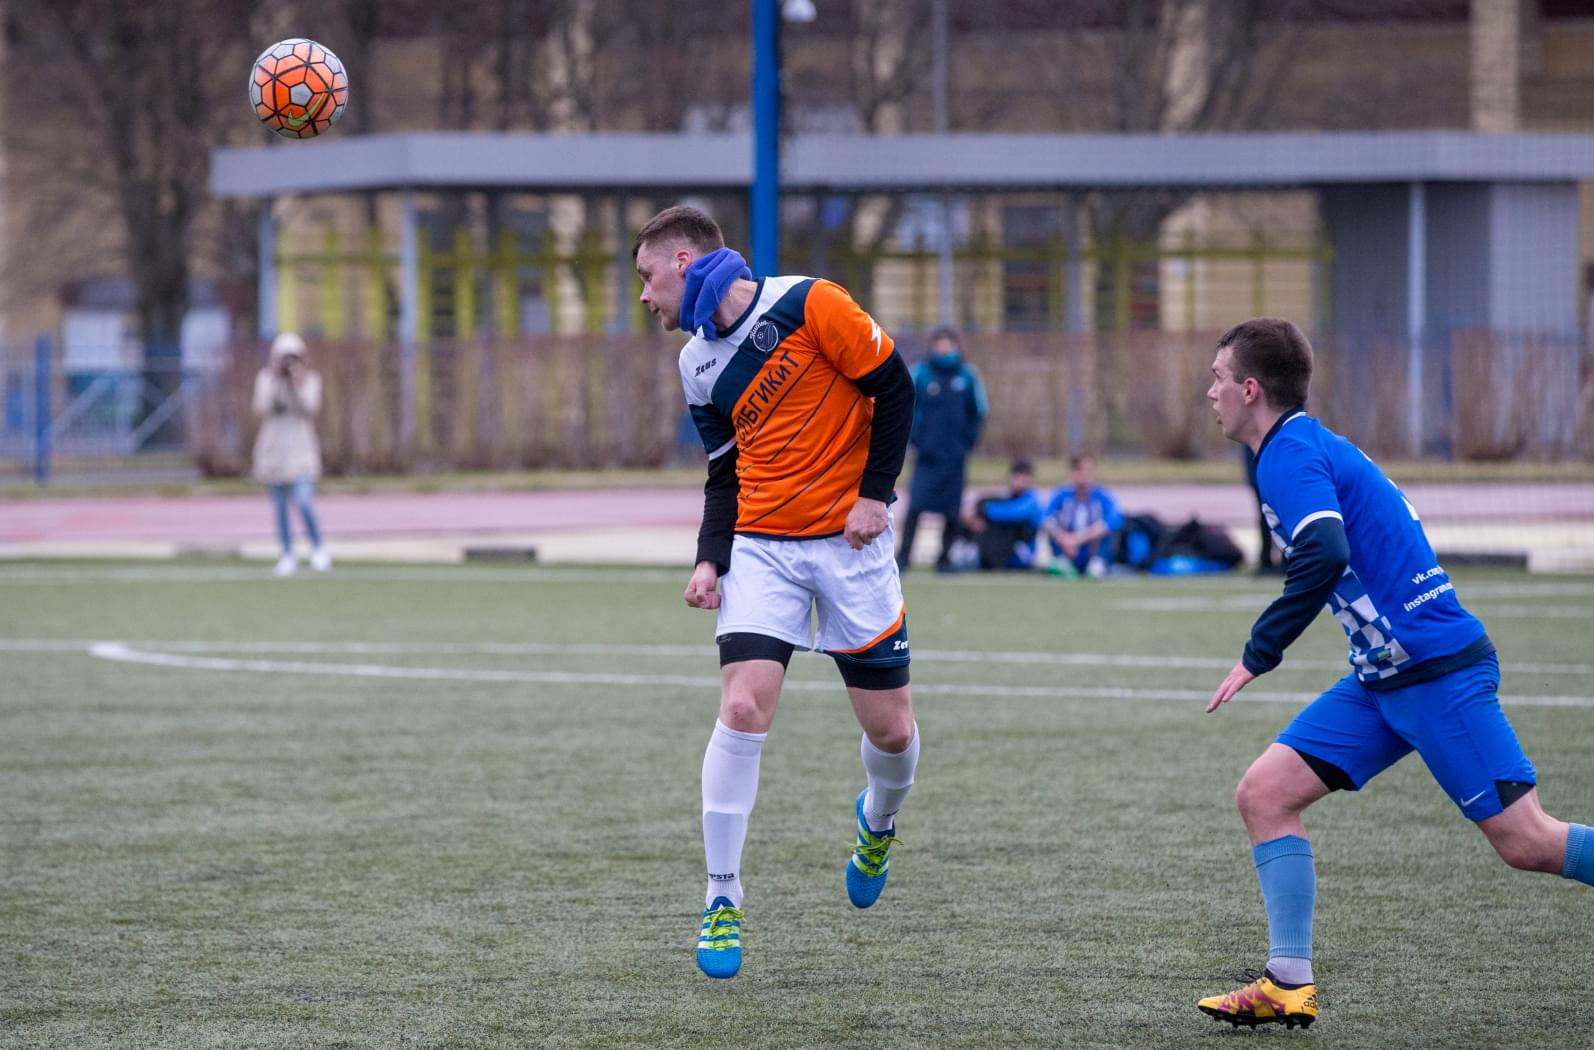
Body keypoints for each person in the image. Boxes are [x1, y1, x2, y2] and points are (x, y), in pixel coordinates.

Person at [1197, 318, 1593, 1029]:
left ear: (1250, 389)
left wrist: (1260, 651)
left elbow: (1324, 550)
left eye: (1219, 378)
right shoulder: (1302, 446)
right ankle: (1288, 983)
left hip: (1435, 673)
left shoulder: (1288, 453)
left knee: (1528, 841)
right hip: (1384, 678)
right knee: (1265, 793)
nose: (1211, 392)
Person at [633, 205, 920, 980]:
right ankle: (721, 897)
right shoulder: (696, 364)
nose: (645, 296)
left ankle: (878, 820)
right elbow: (724, 475)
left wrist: (874, 495)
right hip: (763, 550)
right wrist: (710, 560)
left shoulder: (810, 301)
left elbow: (895, 388)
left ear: (684, 261)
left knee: (893, 733)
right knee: (741, 708)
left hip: (852, 545)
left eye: (648, 277)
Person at [896, 328, 987, 573]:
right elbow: (905, 404)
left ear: (956, 346)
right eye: (939, 344)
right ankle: (904, 557)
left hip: (955, 456)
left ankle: (944, 559)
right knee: (915, 507)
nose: (943, 349)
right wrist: (916, 440)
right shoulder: (921, 373)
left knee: (952, 511)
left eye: (948, 344)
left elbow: (979, 411)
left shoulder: (968, 375)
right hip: (926, 456)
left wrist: (967, 442)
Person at [251, 332, 330, 576]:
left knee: (304, 502)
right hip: (273, 450)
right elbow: (261, 407)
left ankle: (318, 548)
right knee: (280, 507)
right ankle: (287, 553)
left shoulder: (310, 380)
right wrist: (277, 380)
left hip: (301, 449)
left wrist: (296, 383)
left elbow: (310, 407)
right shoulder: (266, 379)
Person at [1041, 453, 1122, 577]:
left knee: (1110, 530)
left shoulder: (1103, 496)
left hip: (1092, 547)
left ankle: (1098, 563)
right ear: (1072, 473)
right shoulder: (1061, 494)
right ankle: (1063, 562)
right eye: (1079, 470)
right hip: (1067, 548)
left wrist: (1078, 539)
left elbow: (1114, 520)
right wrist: (1063, 539)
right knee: (1051, 527)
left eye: (1089, 471)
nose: (1084, 475)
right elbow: (1045, 517)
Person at [965, 457, 1043, 570]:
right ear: (1011, 477)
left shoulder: (1032, 500)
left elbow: (1013, 514)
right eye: (1018, 478)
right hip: (1003, 548)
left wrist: (983, 508)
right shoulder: (1007, 496)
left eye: (1025, 479)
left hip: (1021, 552)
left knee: (1000, 525)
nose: (1021, 483)